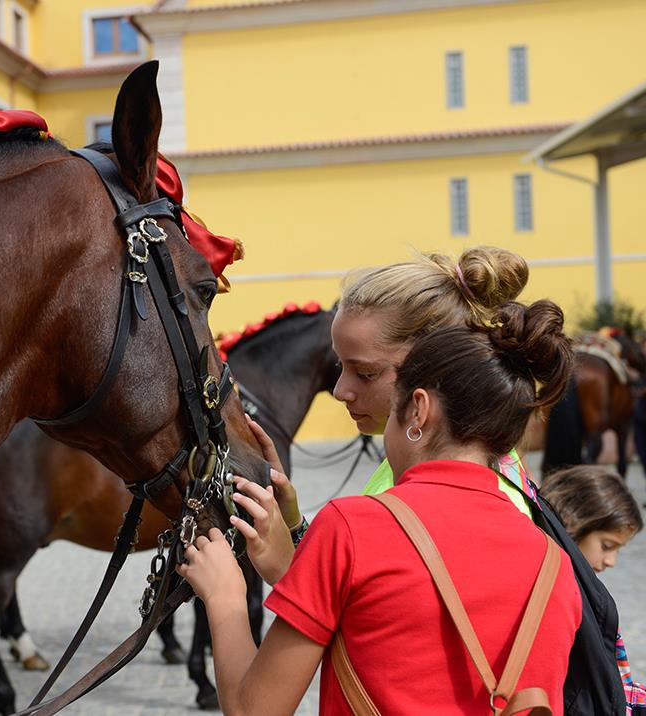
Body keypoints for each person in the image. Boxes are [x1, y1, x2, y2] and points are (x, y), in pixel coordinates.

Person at [225, 246, 627, 715]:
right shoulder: (475, 487)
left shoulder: (396, 507)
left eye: (365, 371)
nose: (340, 390)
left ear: (427, 379)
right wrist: (296, 537)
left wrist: (234, 594)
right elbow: (387, 612)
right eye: (340, 367)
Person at [541, 466, 646, 713]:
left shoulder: (582, 588)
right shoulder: (563, 593)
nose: (611, 561)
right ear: (577, 522)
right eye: (607, 545)